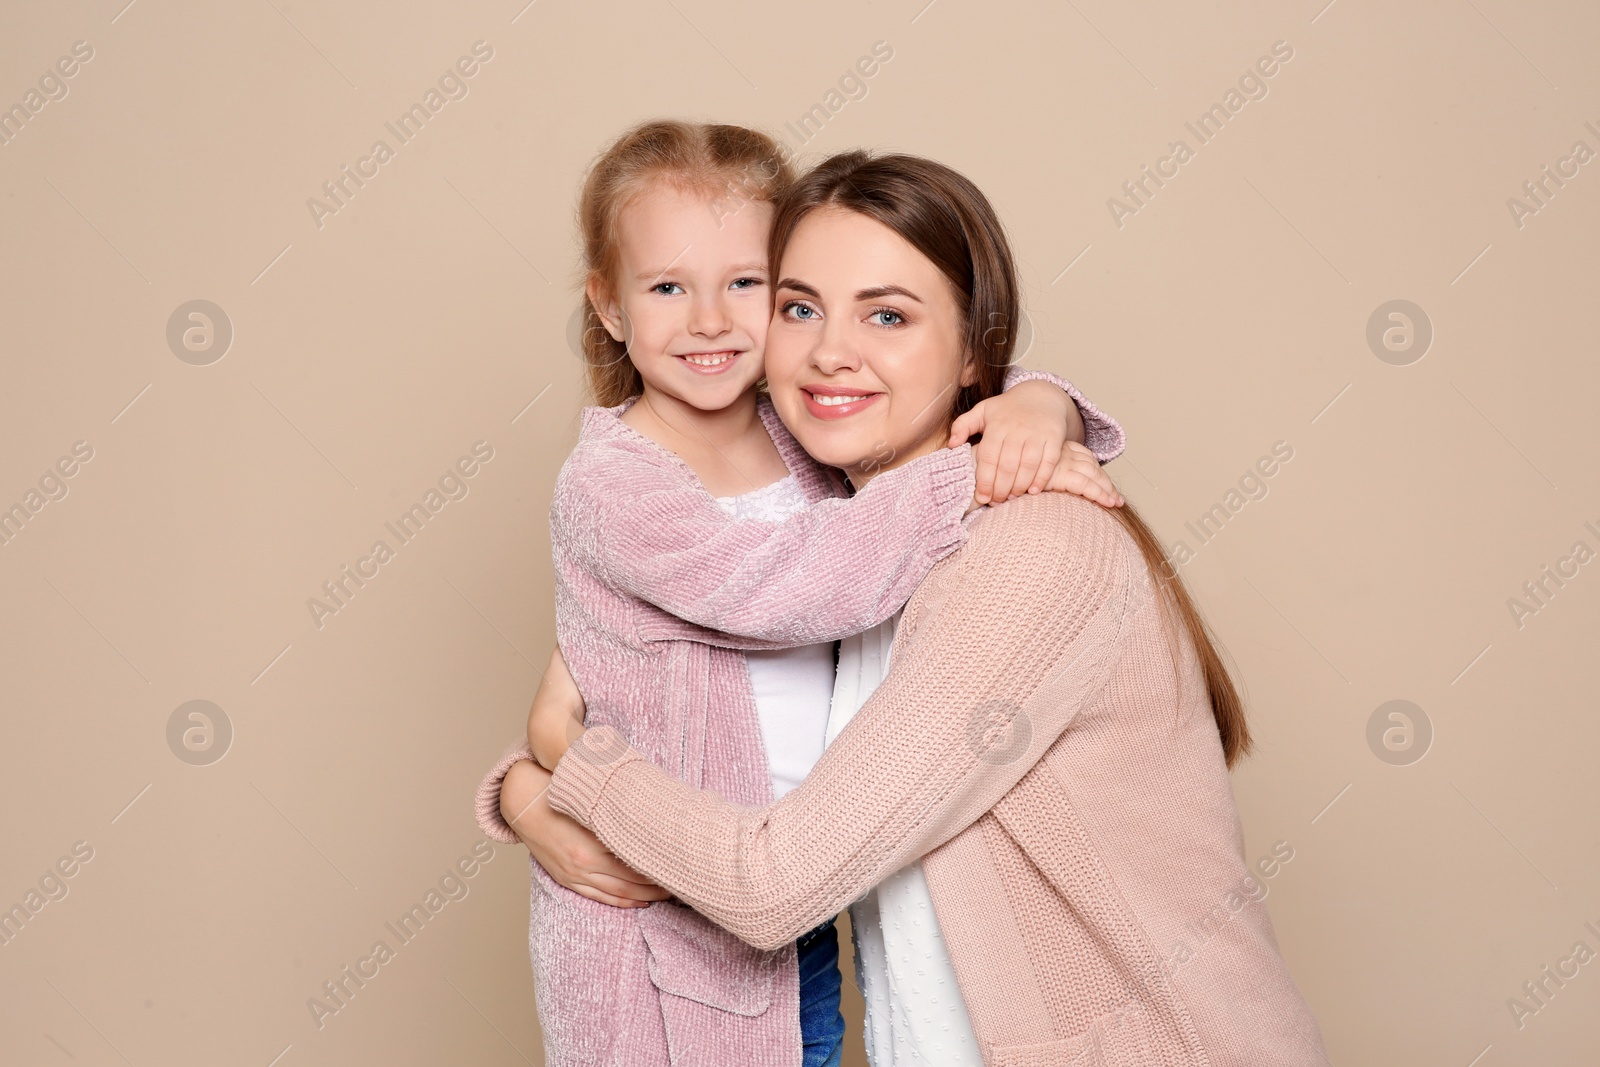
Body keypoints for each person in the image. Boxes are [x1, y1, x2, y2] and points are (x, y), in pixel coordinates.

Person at [510, 150, 1331, 1065]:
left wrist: (573, 764)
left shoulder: (1026, 552)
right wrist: (525, 786)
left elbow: (773, 884)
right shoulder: (845, 532)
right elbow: (700, 692)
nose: (830, 350)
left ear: (977, 345)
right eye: (798, 307)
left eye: (888, 314)